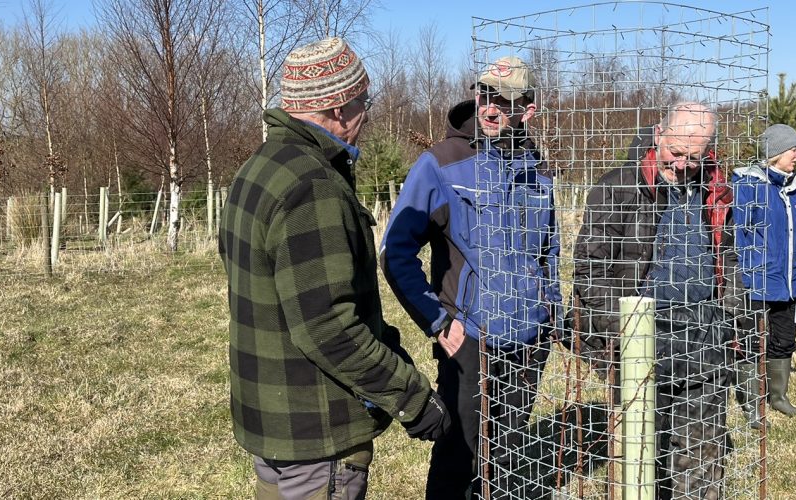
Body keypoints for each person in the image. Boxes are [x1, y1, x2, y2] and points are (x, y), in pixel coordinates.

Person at [218, 37, 449, 500]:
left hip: (273, 419)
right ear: (339, 109)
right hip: (316, 432)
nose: (366, 114)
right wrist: (411, 396)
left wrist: (391, 349)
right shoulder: (312, 187)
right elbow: (328, 326)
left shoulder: (259, 168)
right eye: (364, 101)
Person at [381, 55, 560, 499]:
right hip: (470, 338)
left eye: (504, 99)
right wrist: (438, 320)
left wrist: (550, 308)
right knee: (460, 454)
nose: (491, 107)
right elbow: (395, 251)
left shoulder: (537, 168)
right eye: (485, 94)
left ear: (529, 109)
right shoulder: (442, 162)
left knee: (506, 453)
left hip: (528, 337)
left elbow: (549, 250)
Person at [573, 102, 738, 500]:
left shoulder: (714, 191)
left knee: (701, 458)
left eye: (694, 158)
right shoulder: (616, 187)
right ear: (658, 134)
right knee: (640, 462)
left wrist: (732, 319)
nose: (682, 165)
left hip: (703, 344)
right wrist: (624, 333)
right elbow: (588, 273)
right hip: (639, 349)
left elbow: (727, 261)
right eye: (676, 153)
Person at [731, 123, 796, 419]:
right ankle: (752, 406)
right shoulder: (747, 186)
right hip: (755, 282)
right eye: (794, 149)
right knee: (751, 340)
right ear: (776, 152)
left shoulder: (793, 192)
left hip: (788, 284)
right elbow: (737, 236)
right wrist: (739, 279)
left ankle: (778, 397)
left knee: (784, 338)